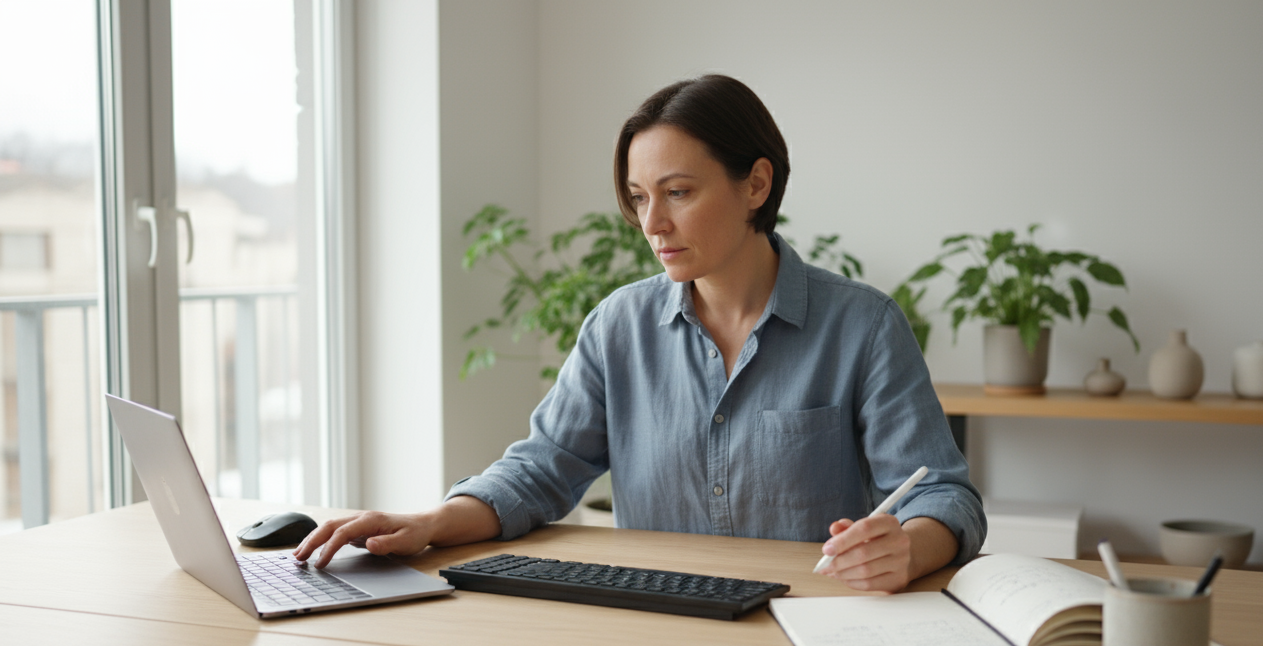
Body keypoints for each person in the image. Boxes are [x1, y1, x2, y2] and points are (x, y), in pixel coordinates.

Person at [295, 74, 984, 593]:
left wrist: (911, 546)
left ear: (756, 185)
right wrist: (427, 523)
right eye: (638, 196)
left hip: (809, 620)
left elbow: (944, 495)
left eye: (678, 192)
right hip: (662, 618)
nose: (652, 224)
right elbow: (539, 471)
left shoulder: (861, 326)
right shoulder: (618, 328)